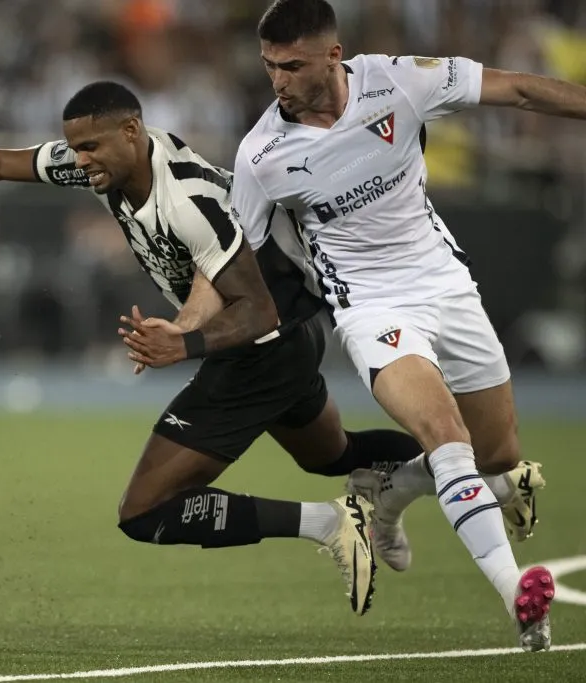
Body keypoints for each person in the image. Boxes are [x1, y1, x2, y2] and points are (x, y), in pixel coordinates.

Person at [0, 80, 431, 617]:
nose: (80, 161)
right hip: (281, 344)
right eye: (74, 149)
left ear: (131, 132)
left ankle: (333, 522)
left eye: (91, 147)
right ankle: (477, 469)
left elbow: (258, 309)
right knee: (333, 454)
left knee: (145, 510)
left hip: (263, 345)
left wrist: (187, 344)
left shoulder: (189, 201)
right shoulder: (108, 166)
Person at [220, 0, 559, 651]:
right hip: (372, 308)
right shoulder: (261, 154)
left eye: (290, 65)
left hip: (447, 286)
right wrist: (188, 329)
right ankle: (520, 597)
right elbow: (235, 262)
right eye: (269, 66)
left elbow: (516, 89)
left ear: (333, 56)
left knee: (499, 455)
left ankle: (388, 490)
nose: (277, 81)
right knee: (445, 434)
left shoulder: (399, 80)